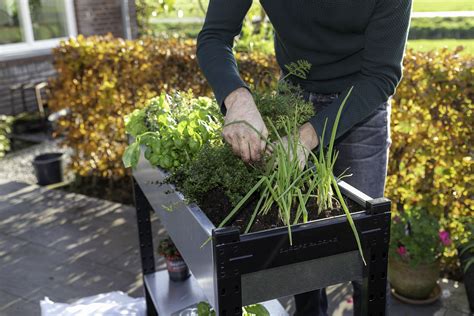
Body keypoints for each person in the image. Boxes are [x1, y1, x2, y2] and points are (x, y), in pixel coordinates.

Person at [197, 0, 412, 315]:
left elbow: (381, 75)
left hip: (360, 104)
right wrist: (237, 98)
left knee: (363, 247)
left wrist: (306, 137)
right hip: (295, 97)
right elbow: (214, 36)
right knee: (296, 241)